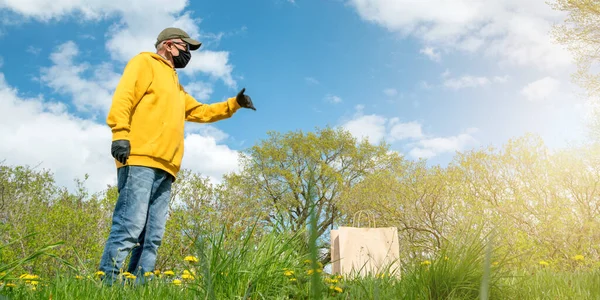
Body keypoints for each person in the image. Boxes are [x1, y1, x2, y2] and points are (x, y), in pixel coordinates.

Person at [98, 27, 256, 285]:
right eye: (186, 47)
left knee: (152, 236)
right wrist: (120, 133)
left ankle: (139, 287)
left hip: (167, 168)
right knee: (129, 227)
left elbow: (202, 112)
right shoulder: (144, 63)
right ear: (169, 45)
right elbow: (124, 96)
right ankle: (107, 285)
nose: (188, 53)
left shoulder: (177, 88)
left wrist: (234, 104)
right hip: (139, 159)